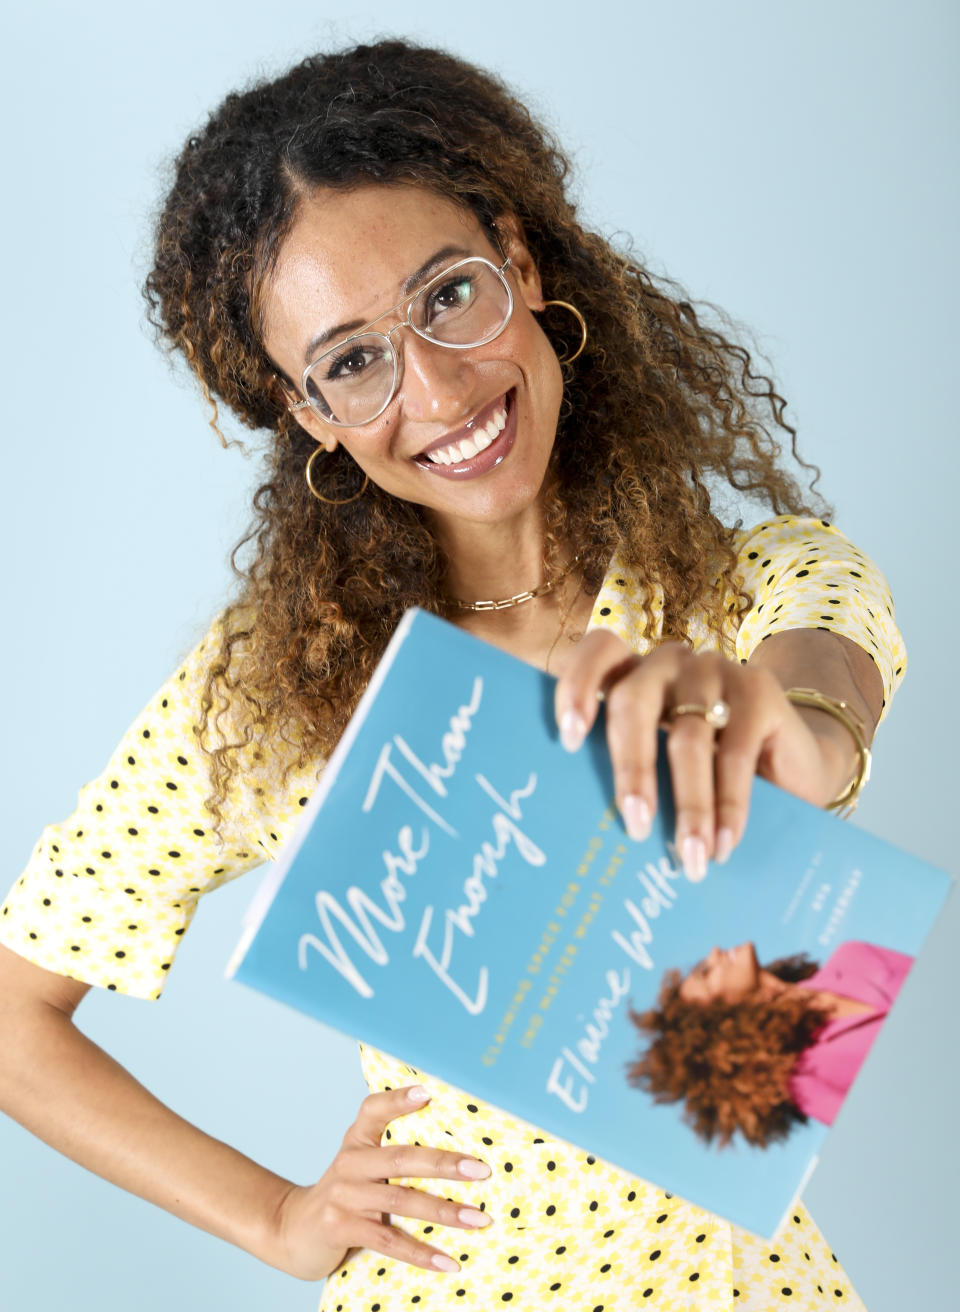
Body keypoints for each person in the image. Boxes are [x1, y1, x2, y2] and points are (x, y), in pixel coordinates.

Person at [0, 38, 906, 1312]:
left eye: (447, 297)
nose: (434, 388)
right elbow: (11, 1014)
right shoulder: (280, 686)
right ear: (306, 410)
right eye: (352, 360)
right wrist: (276, 1216)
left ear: (519, 262)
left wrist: (796, 733)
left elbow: (824, 689)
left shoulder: (750, 586)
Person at [629, 940, 914, 1148]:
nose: (714, 950)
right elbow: (893, 1135)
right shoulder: (802, 1078)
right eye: (706, 972)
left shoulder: (853, 957)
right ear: (719, 1020)